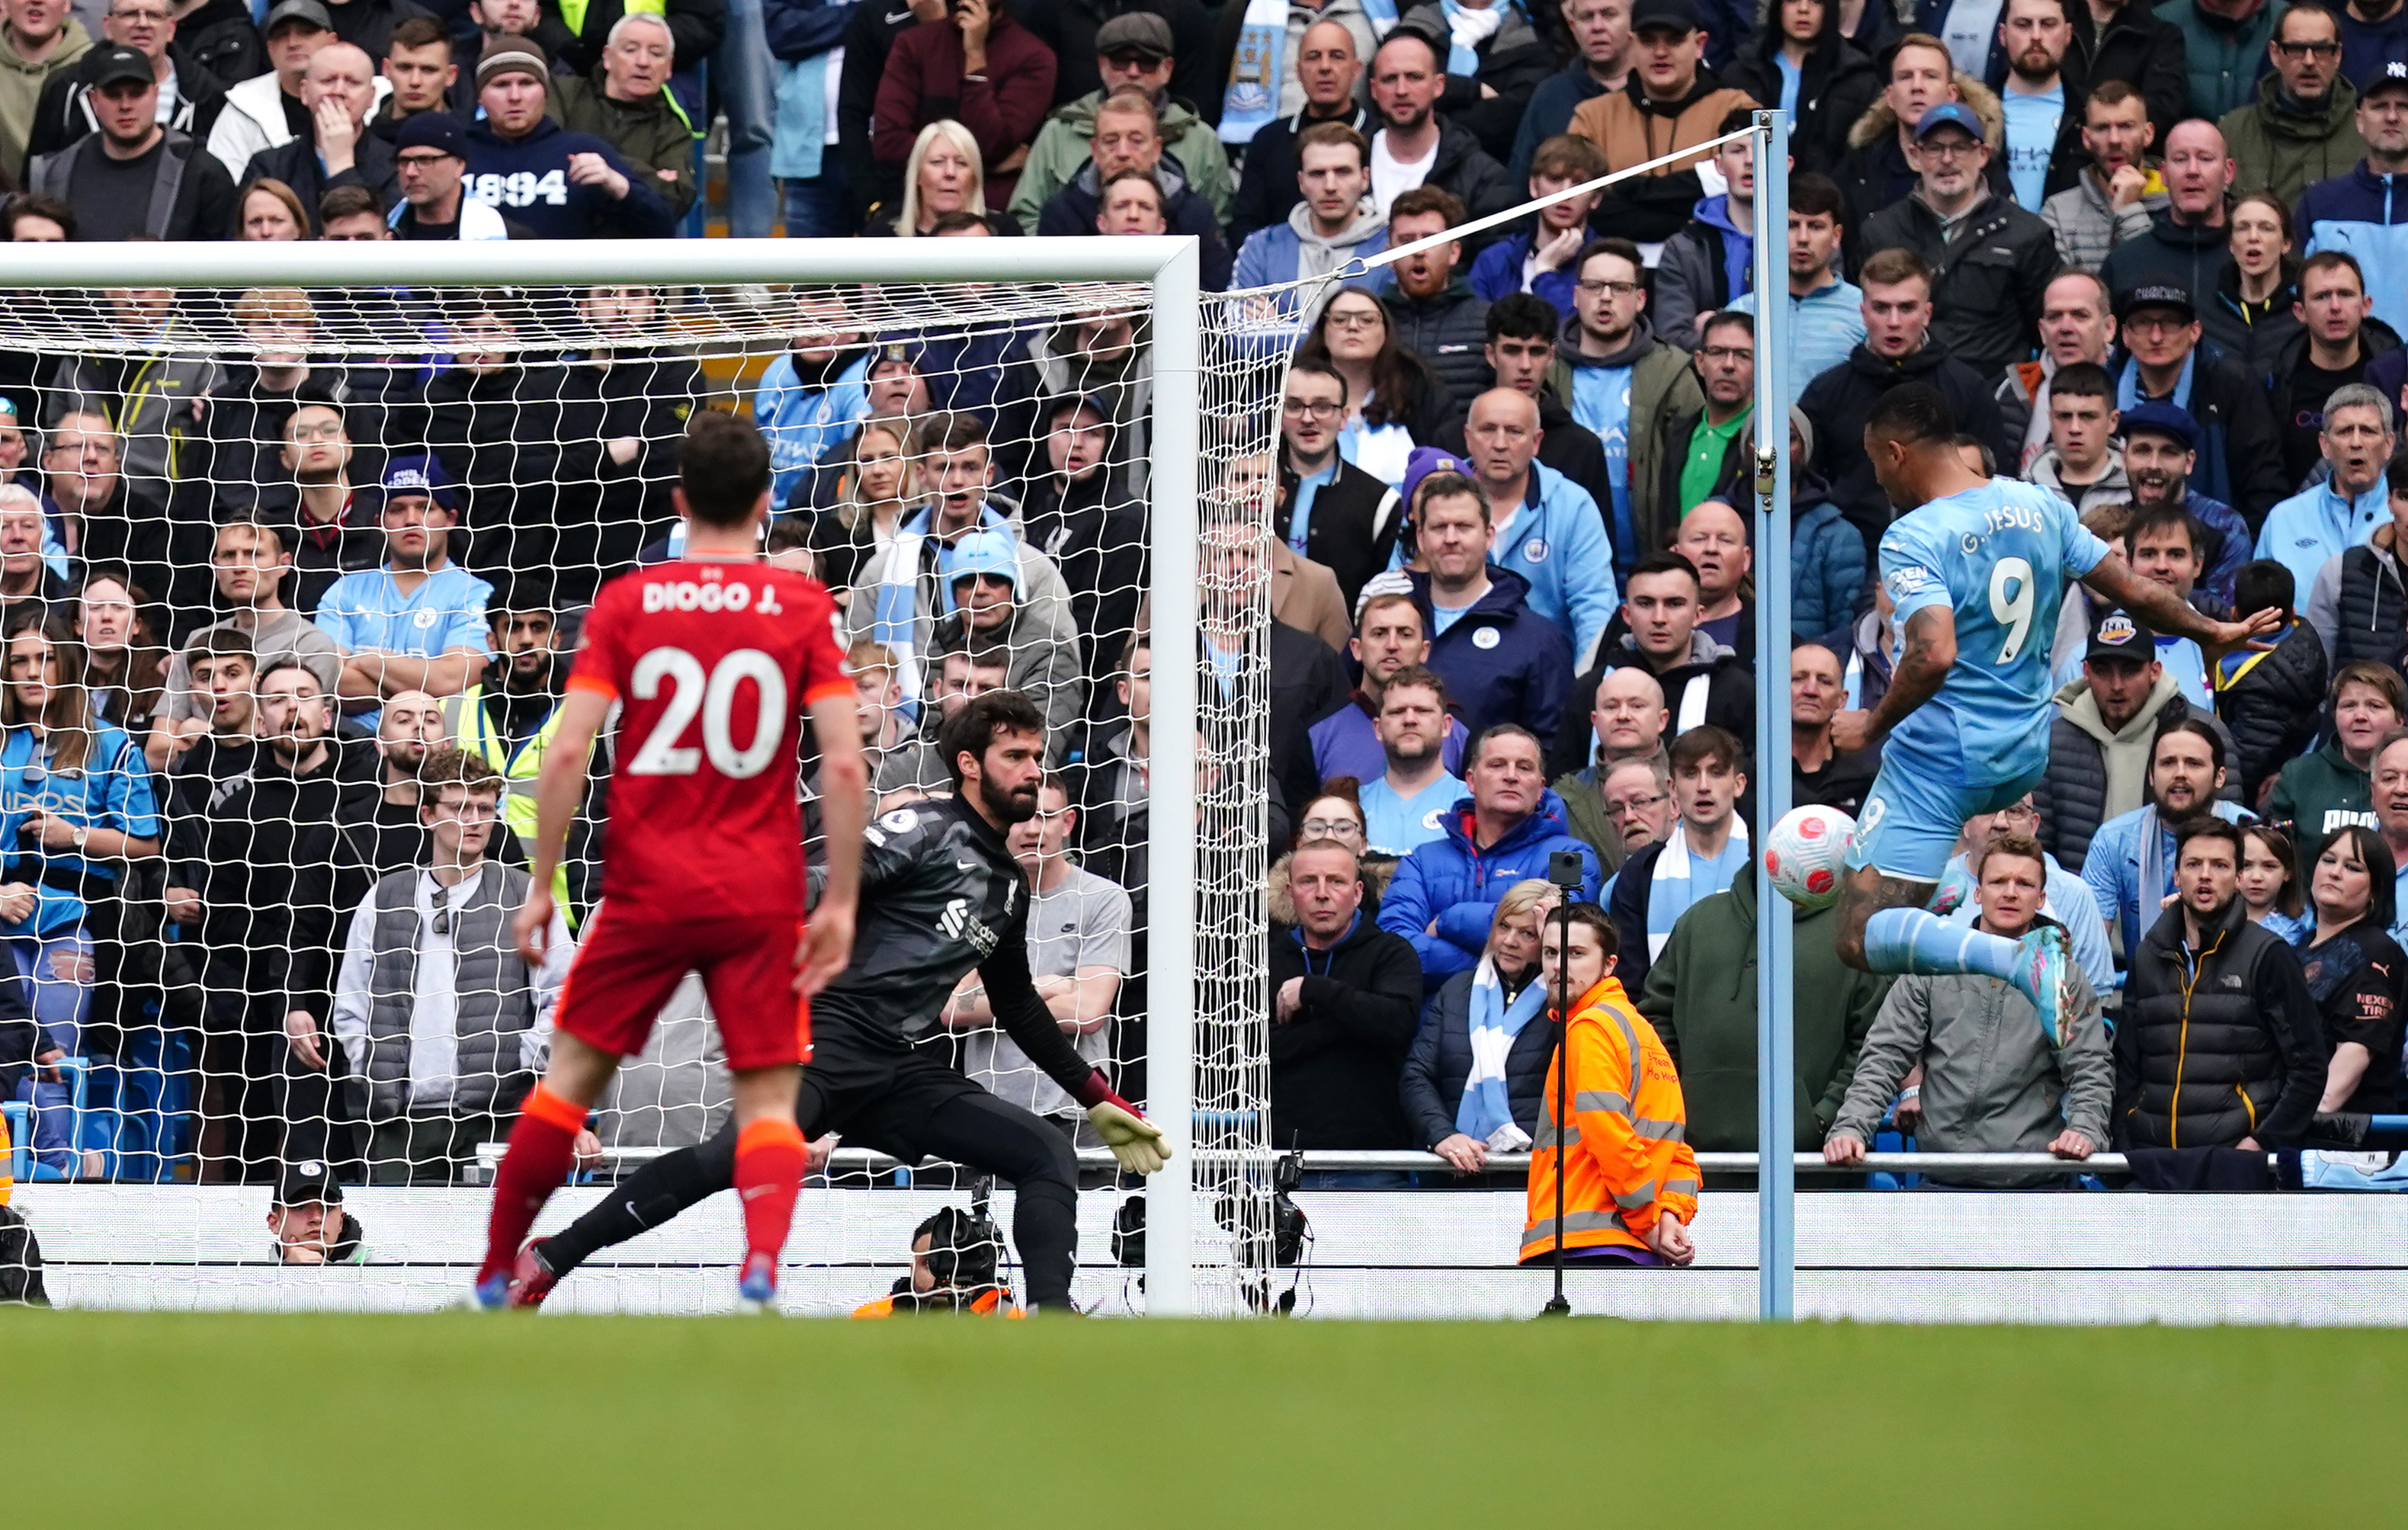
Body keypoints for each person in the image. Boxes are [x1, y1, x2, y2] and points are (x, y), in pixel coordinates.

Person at [502, 691, 1169, 1313]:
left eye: (1036, 755)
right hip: (824, 1036)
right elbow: (830, 876)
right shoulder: (925, 826)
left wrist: (1094, 1097)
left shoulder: (1005, 886)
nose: (1032, 770)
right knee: (728, 1159)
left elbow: (1018, 1004)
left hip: (895, 1065)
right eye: (1015, 756)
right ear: (969, 765)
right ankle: (550, 1258)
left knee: (1044, 1154)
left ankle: (1053, 1330)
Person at [470, 412, 871, 1310]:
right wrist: (838, 897)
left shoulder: (626, 603)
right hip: (759, 887)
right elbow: (844, 762)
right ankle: (761, 1263)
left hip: (644, 885)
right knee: (769, 1095)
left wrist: (541, 884)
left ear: (680, 500)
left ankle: (498, 1270)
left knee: (569, 1082)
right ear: (768, 504)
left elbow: (568, 751)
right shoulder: (806, 608)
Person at [1824, 382, 2273, 1047]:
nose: (1876, 475)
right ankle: (1958, 903)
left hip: (1942, 760)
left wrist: (1870, 723)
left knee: (1858, 937)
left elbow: (1932, 651)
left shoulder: (1912, 535)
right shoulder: (2039, 504)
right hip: (2023, 752)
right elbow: (2132, 589)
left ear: (1895, 452)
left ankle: (2014, 956)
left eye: (1874, 460)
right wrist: (2206, 628)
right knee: (1917, 898)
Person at [166, 659, 377, 1181]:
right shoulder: (235, 813)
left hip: (356, 993)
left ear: (327, 715)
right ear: (261, 721)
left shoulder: (361, 804)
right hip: (261, 1000)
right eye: (278, 699)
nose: (292, 709)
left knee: (349, 1130)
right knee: (255, 1133)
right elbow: (221, 921)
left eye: (303, 695)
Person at [327, 751, 568, 1185]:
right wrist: (372, 1065)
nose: (474, 820)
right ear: (428, 815)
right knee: (402, 1246)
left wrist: (518, 1061)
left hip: (495, 1118)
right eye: (459, 808)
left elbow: (564, 997)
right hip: (400, 1120)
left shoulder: (525, 895)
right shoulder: (385, 897)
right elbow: (351, 1001)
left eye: (485, 809)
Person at [1826, 829, 2111, 1183]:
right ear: (1978, 892)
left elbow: (2089, 1067)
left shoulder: (2064, 976)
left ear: (2041, 899)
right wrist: (1851, 1128)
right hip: (1941, 1182)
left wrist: (2084, 1129)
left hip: (2034, 1188)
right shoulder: (1932, 962)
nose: (2009, 892)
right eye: (1998, 882)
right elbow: (1886, 1052)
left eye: (2024, 884)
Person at [0, 617, 160, 1177]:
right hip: (1, 919)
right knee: (8, 1052)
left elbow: (146, 841)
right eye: (19, 661)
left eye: (43, 658)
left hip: (71, 919)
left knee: (52, 1060)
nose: (31, 672)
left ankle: (52, 1171)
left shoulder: (111, 743)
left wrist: (74, 837)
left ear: (67, 665)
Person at [945, 775, 1130, 1150]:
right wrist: (1045, 987)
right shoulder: (975, 898)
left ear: (1069, 823)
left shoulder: (1103, 899)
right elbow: (950, 1009)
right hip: (988, 1106)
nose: (1032, 829)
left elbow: (1087, 1012)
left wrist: (985, 997)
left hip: (1075, 1110)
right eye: (1021, 817)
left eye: (1045, 816)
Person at [2116, 817, 2325, 1150]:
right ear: (2176, 875)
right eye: (2193, 864)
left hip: (2232, 1163)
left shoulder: (2269, 955)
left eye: (2220, 865)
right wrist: (2127, 1140)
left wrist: (2261, 1144)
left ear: (2239, 878)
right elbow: (2127, 1065)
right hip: (2150, 1160)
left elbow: (2309, 1068)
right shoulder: (2148, 956)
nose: (2205, 875)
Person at [1795, 247, 2012, 550]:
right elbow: (1805, 488)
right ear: (1863, 312)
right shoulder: (1826, 392)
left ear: (1927, 314)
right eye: (1881, 308)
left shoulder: (1968, 389)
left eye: (1906, 308)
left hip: (1948, 551)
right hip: (1849, 556)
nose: (1893, 321)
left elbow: (1996, 484)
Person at [1519, 901, 1698, 1269]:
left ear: (1609, 964)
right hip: (1626, 1243)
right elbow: (1676, 1147)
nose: (1558, 965)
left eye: (1576, 954)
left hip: (1587, 1239)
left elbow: (1609, 1135)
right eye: (1551, 952)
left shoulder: (1590, 1029)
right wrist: (1669, 1216)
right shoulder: (1640, 1031)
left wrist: (1648, 1221)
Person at [1378, 722, 1602, 993]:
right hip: (1433, 1025)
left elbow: (1557, 935)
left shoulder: (1569, 856)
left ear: (1541, 787)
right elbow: (1395, 947)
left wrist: (1449, 920)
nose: (1511, 776)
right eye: (1497, 765)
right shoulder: (1423, 860)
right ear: (1471, 780)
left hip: (1533, 1025)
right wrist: (1488, 966)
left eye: (1524, 767)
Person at [1859, 99, 2057, 382]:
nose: (1948, 159)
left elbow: (2047, 330)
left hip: (1995, 405)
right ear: (1914, 156)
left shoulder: (2027, 234)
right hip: (1901, 398)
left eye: (1961, 147)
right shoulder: (1880, 232)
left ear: (1983, 155)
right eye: (1935, 148)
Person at [1387, 473, 1576, 750]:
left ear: (1489, 536)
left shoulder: (1538, 641)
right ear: (1421, 537)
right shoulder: (1386, 623)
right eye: (1440, 527)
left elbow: (1554, 751)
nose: (1451, 539)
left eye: (1463, 527)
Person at [1549, 236, 1702, 574]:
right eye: (1594, 286)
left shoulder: (1673, 372)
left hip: (1649, 563)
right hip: (1562, 561)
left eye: (1619, 287)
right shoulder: (1547, 371)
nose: (1605, 297)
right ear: (1576, 296)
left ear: (1640, 299)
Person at [2035, 603, 2228, 869]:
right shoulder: (2055, 742)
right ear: (2086, 673)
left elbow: (2228, 836)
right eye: (2103, 671)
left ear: (2155, 671)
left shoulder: (2204, 734)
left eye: (2130, 670)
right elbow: (2039, 848)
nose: (2117, 685)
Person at [1267, 836, 1424, 1152]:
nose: (1322, 894)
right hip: (1279, 1159)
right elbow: (1257, 1050)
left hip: (1373, 1158)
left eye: (1336, 882)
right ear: (1290, 894)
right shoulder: (1263, 960)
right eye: (1308, 882)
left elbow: (1396, 1024)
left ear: (1357, 893)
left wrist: (1315, 990)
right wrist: (1352, 1024)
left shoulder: (1391, 953)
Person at [1008, 12, 1233, 229]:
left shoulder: (1201, 139)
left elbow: (1218, 225)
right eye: (1121, 61)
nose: (1133, 72)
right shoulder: (1059, 132)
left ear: (1168, 69)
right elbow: (1026, 217)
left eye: (1147, 62)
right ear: (1102, 64)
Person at [149, 515, 342, 766]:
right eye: (229, 555)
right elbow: (157, 748)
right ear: (216, 566)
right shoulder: (199, 640)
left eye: (254, 554)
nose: (239, 566)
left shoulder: (311, 644)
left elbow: (291, 740)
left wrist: (201, 732)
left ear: (284, 564)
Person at [1566, 0, 1759, 245]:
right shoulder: (1592, 117)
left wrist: (1631, 190)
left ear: (1700, 45)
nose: (1660, 52)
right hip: (1615, 272)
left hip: (1710, 267)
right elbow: (1583, 202)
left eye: (1674, 40)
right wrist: (1686, 220)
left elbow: (1748, 190)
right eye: (1648, 40)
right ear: (1632, 43)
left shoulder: (1739, 109)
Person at [1403, 877, 1560, 1167]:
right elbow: (1417, 1075)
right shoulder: (1456, 991)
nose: (1509, 941)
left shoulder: (1566, 1002)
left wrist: (1561, 950)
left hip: (1536, 1176)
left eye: (1528, 933)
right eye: (1503, 926)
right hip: (1455, 1172)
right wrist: (1442, 1134)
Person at [313, 466, 492, 714]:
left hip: (440, 744)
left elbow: (453, 681)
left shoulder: (477, 594)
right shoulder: (345, 590)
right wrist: (418, 682)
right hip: (353, 742)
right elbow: (327, 681)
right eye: (397, 510)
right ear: (380, 523)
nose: (411, 519)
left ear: (450, 519)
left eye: (424, 508)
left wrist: (372, 661)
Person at [1558, 551, 1753, 779]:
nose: (1659, 618)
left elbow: (1751, 789)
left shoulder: (1737, 691)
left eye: (1674, 604)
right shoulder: (1591, 690)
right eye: (1646, 603)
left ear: (1698, 615)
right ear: (1627, 615)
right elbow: (1563, 788)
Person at [461, 34, 675, 239]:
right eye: (501, 85)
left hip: (561, 277)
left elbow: (662, 229)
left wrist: (619, 187)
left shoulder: (583, 151)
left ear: (545, 92)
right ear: (480, 95)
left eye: (527, 83)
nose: (515, 97)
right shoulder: (456, 152)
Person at [23, 42, 235, 239]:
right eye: (114, 95)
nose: (125, 105)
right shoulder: (54, 173)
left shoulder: (201, 173)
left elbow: (226, 267)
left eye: (136, 94)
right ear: (94, 101)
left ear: (156, 95)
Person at [2084, 716, 2253, 958]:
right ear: (2151, 775)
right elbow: (2092, 948)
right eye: (2168, 763)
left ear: (2220, 776)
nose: (2180, 774)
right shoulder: (2114, 840)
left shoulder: (2250, 835)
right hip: (2144, 986)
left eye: (2193, 764)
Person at [1032, 89, 1232, 289]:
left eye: (1136, 141)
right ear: (1095, 150)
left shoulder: (1194, 213)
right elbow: (1043, 296)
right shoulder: (1061, 211)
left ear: (1156, 149)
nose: (1123, 153)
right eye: (1111, 141)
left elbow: (1215, 292)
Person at [871, 0, 1054, 216]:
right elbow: (888, 142)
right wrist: (984, 165)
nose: (951, 170)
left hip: (993, 215)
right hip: (921, 212)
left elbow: (990, 144)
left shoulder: (1034, 57)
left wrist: (975, 56)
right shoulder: (914, 45)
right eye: (943, 162)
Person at [1605, 720, 1747, 996]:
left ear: (1739, 784)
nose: (1703, 786)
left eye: (1716, 773)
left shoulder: (1765, 863)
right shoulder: (1641, 872)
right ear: (1672, 787)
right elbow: (1630, 984)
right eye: (1691, 774)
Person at [24, 0, 226, 167]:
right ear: (107, 26)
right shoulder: (67, 88)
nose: (142, 23)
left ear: (171, 28)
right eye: (129, 14)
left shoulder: (205, 94)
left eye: (154, 16)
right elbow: (39, 174)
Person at [1727, 172, 1865, 411]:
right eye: (1791, 225)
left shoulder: (1864, 311)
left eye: (1816, 226)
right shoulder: (1742, 312)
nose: (1803, 238)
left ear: (1836, 236)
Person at [550, 12, 704, 223]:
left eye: (656, 54)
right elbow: (544, 156)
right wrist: (648, 174)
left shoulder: (672, 128)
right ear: (607, 57)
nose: (643, 62)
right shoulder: (564, 94)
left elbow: (675, 200)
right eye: (630, 50)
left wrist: (599, 166)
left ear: (668, 68)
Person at [2266, 252, 2400, 490]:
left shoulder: (2394, 377)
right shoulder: (2274, 380)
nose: (2335, 307)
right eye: (2322, 297)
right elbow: (2265, 470)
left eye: (2346, 294)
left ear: (2366, 305)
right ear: (2300, 311)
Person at [1278, 361, 1404, 613]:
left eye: (1322, 407)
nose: (1307, 418)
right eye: (1294, 406)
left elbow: (1384, 599)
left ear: (1344, 417)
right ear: (1279, 416)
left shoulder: (1380, 501)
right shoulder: (1245, 486)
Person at [2297, 822, 2404, 1115]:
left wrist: (2282, 1131)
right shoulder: (2300, 947)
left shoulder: (2376, 952)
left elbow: (2351, 1059)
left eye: (2353, 867)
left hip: (2339, 1139)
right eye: (2328, 860)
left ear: (2376, 890)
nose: (2334, 872)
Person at [1230, 120, 1389, 316]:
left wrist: (1280, 328)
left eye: (1343, 172)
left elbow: (1395, 336)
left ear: (1365, 178)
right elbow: (1238, 335)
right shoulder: (1261, 248)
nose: (1330, 186)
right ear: (1301, 182)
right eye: (1317, 174)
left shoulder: (1391, 249)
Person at [1294, 288, 1451, 486]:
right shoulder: (1291, 395)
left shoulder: (1421, 395)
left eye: (1367, 320)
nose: (1352, 326)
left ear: (1386, 332)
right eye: (1340, 319)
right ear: (1323, 332)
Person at [2297, 61, 2408, 338]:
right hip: (2341, 366)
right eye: (2380, 106)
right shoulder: (2321, 205)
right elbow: (2295, 297)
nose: (2392, 117)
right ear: (2359, 120)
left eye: (2404, 107)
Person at [2254, 383, 2398, 597]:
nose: (2356, 442)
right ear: (2325, 445)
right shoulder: (2283, 520)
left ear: (2389, 444)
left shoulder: (2403, 515)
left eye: (2368, 431)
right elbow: (2257, 607)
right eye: (2344, 431)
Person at [2219, 1, 2368, 207]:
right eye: (2297, 48)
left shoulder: (2367, 130)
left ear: (2338, 55)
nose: (2309, 61)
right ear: (2275, 54)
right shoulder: (2234, 132)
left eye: (2322, 49)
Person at [1361, 28, 1514, 225]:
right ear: (1373, 89)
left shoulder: (1483, 177)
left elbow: (1496, 251)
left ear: (1439, 86)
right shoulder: (1346, 162)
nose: (1401, 90)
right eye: (1390, 79)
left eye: (1414, 77)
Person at [239, 42, 396, 231]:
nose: (339, 91)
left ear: (371, 98)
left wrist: (341, 166)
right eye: (327, 81)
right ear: (305, 92)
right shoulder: (268, 166)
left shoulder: (396, 165)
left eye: (352, 82)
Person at [2212, 560, 2329, 802]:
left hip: (2251, 799)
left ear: (2235, 614)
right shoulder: (2301, 637)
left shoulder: (2263, 691)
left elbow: (2247, 764)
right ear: (2293, 612)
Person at [1725, 0, 1881, 174]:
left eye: (1816, 2)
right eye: (1793, 1)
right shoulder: (1743, 71)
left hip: (1827, 195)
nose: (1803, 9)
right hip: (1754, 188)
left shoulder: (1857, 77)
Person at [2099, 119, 2240, 310]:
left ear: (2228, 172)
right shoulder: (2126, 260)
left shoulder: (2253, 255)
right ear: (2164, 174)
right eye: (2180, 159)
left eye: (2205, 159)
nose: (2192, 171)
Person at [1465, 133, 1608, 318]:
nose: (1566, 193)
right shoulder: (1493, 261)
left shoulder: (1609, 266)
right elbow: (1474, 332)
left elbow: (1582, 336)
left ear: (1596, 198)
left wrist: (1545, 273)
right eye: (1555, 179)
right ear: (1534, 186)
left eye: (1579, 183)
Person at [1379, 186, 1491, 415]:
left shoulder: (1488, 322)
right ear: (1388, 255)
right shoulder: (1371, 322)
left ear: (1454, 252)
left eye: (1429, 239)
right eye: (1407, 241)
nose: (1419, 251)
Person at [1652, 116, 1762, 351]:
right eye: (1738, 150)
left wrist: (1715, 326)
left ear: (1786, 163)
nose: (1750, 160)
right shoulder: (1683, 247)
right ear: (1718, 165)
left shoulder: (1807, 238)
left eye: (1761, 149)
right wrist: (1724, 355)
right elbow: (1671, 335)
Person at [2268, 659, 2406, 840]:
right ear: (2334, 717)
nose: (2360, 716)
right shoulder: (2298, 775)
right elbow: (2277, 854)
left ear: (2399, 719)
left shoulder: (2403, 785)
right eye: (2349, 706)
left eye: (2375, 706)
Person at [204, 0, 338, 179]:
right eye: (281, 35)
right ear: (270, 49)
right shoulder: (244, 105)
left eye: (306, 32)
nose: (293, 42)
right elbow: (224, 184)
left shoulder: (363, 97)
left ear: (332, 42)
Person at [2304, 451, 2408, 680]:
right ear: (2390, 502)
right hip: (2357, 711)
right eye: (2406, 497)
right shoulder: (2339, 572)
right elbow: (2314, 675)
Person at [2038, 81, 2163, 268]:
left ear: (2148, 134)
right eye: (2102, 128)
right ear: (2086, 139)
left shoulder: (2176, 205)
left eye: (2126, 126)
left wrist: (2129, 211)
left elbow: (2154, 284)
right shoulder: (2059, 211)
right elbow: (2058, 293)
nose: (2114, 140)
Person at [1356, 665, 1464, 855]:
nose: (1410, 720)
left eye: (1422, 710)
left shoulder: (1472, 804)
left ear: (1446, 726)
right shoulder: (1354, 805)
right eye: (1397, 711)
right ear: (1378, 729)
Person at [1658, 317, 1755, 521]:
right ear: (1700, 362)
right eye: (1717, 352)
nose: (1729, 365)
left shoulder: (1768, 440)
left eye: (1742, 355)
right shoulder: (1677, 433)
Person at [848, 1205, 1017, 1317]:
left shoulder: (1016, 1324)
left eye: (954, 1262)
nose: (944, 1277)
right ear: (912, 1268)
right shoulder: (870, 1320)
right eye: (930, 1264)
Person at [2025, 361, 2129, 515]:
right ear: (2050, 420)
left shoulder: (2134, 491)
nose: (2075, 429)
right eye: (2064, 416)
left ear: (2112, 421)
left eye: (2087, 416)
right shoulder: (2025, 494)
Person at [389, 111, 510, 238]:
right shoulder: (385, 233)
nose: (410, 172)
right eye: (403, 161)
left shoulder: (505, 234)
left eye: (425, 160)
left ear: (459, 165)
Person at [1791, 640, 1877, 814]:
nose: (1810, 690)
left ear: (1842, 700)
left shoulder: (1866, 782)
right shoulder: (1753, 775)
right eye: (1798, 679)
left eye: (1824, 681)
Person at [2239, 820, 2311, 943]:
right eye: (2246, 865)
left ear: (2288, 873)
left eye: (2269, 866)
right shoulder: (2215, 922)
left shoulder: (2294, 933)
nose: (2256, 877)